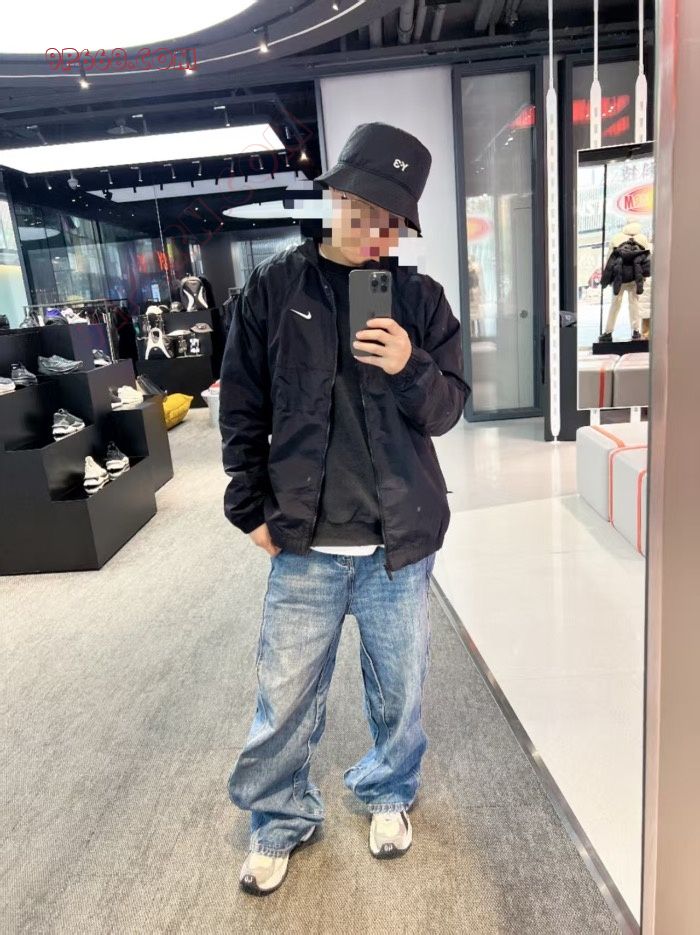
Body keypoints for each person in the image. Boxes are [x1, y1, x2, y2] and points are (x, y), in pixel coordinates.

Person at [219, 122, 470, 896]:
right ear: (334, 197)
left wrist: (409, 364)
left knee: (401, 689)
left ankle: (389, 790)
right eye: (362, 211)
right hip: (304, 545)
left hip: (399, 544)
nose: (374, 232)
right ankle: (279, 818)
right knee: (284, 695)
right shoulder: (273, 290)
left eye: (391, 221)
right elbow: (242, 406)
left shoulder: (420, 300)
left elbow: (448, 409)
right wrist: (248, 507)